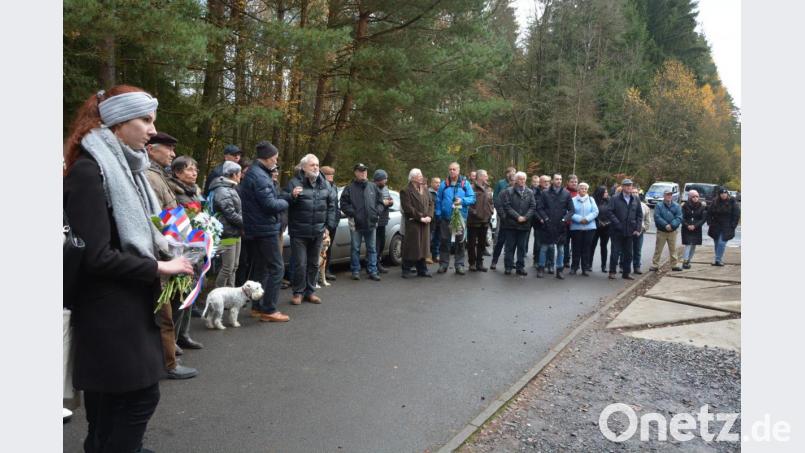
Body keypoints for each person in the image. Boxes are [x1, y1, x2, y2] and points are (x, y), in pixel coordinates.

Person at [64, 85, 195, 452]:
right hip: (107, 311)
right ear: (119, 122)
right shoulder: (90, 171)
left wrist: (185, 242)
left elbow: (150, 229)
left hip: (128, 304)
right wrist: (160, 267)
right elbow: (97, 256)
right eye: (146, 120)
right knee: (140, 397)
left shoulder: (131, 172)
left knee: (107, 401)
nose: (153, 130)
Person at [144, 132, 198, 380]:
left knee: (166, 310)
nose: (173, 154)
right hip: (161, 252)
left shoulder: (157, 175)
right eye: (168, 149)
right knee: (163, 314)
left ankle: (166, 358)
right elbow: (158, 217)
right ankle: (168, 364)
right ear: (151, 150)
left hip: (168, 249)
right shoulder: (150, 176)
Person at [240, 141, 291, 322]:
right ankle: (269, 309)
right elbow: (270, 205)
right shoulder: (260, 176)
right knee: (277, 268)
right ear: (268, 158)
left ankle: (257, 306)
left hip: (256, 228)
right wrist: (287, 200)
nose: (276, 161)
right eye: (275, 158)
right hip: (265, 229)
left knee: (261, 268)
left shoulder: (255, 173)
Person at [164, 155, 206, 350]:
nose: (194, 173)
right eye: (189, 169)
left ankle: (183, 334)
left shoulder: (194, 191)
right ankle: (171, 339)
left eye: (195, 169)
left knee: (191, 291)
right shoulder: (173, 191)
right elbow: (170, 219)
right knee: (180, 294)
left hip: (195, 247)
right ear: (177, 172)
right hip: (180, 248)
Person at [288, 154, 339, 302]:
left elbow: (332, 206)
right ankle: (298, 293)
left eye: (317, 165)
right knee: (300, 264)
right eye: (312, 165)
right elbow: (284, 201)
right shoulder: (294, 182)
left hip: (318, 231)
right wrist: (292, 196)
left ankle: (310, 292)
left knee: (314, 263)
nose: (316, 167)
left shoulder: (325, 184)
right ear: (304, 167)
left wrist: (328, 226)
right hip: (299, 232)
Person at [340, 163, 384, 281]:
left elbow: (380, 202)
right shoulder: (349, 188)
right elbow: (343, 204)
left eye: (365, 171)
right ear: (355, 173)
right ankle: (355, 270)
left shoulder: (373, 186)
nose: (363, 173)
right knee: (355, 248)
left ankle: (373, 271)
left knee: (372, 248)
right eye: (360, 171)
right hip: (356, 223)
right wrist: (354, 214)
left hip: (371, 222)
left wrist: (376, 212)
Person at [435, 162, 476, 275]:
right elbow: (438, 200)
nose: (452, 171)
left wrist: (462, 201)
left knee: (460, 242)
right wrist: (438, 214)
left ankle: (459, 265)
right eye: (450, 169)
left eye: (454, 169)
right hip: (446, 218)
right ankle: (443, 264)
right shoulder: (444, 184)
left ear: (458, 170)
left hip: (460, 218)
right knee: (444, 241)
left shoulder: (465, 183)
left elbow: (472, 198)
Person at [208, 161, 244, 288]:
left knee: (234, 266)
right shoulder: (222, 190)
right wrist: (247, 223)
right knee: (227, 268)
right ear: (233, 174)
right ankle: (218, 293)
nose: (241, 176)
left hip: (235, 232)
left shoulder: (230, 188)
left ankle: (231, 292)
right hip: (226, 233)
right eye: (239, 173)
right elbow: (230, 214)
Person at [535, 173, 574, 279]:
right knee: (544, 248)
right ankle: (541, 268)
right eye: (557, 179)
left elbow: (571, 210)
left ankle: (559, 270)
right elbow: (539, 208)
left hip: (561, 226)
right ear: (552, 180)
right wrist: (546, 219)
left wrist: (564, 219)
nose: (559, 181)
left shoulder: (566, 193)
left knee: (561, 249)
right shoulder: (545, 193)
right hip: (548, 225)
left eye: (560, 179)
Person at [499, 172, 536, 276]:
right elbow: (507, 206)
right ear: (515, 180)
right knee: (510, 247)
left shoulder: (530, 192)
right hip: (511, 224)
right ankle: (508, 267)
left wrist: (525, 217)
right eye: (520, 179)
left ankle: (520, 267)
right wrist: (517, 217)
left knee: (522, 248)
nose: (522, 181)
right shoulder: (509, 191)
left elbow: (533, 206)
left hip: (524, 224)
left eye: (523, 179)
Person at [606, 178, 643, 280]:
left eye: (630, 185)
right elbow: (609, 212)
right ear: (622, 187)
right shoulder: (615, 198)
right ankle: (612, 271)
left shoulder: (636, 199)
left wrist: (638, 228)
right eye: (627, 185)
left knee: (628, 253)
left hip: (630, 231)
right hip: (616, 231)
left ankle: (626, 273)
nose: (629, 187)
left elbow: (639, 215)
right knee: (615, 252)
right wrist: (617, 223)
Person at [400, 169, 434, 278]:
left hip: (425, 222)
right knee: (411, 246)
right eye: (419, 175)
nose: (421, 177)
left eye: (421, 174)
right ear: (412, 178)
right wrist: (421, 217)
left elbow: (431, 203)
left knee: (423, 246)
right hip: (413, 222)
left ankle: (422, 269)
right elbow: (408, 208)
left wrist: (429, 216)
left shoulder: (425, 188)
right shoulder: (405, 191)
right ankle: (406, 269)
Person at [467, 169, 494, 272]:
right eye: (485, 175)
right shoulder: (470, 188)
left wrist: (491, 211)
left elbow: (491, 202)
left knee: (482, 244)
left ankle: (480, 263)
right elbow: (467, 203)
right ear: (480, 177)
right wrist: (474, 212)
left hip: (485, 220)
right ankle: (472, 263)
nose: (487, 177)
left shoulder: (488, 188)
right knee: (471, 243)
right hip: (473, 220)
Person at [650, 188, 683, 271]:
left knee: (673, 249)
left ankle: (674, 265)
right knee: (658, 249)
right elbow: (657, 217)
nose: (669, 196)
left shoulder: (677, 206)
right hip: (661, 231)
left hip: (673, 231)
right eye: (667, 195)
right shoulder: (659, 205)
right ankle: (655, 265)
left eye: (670, 195)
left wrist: (672, 225)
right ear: (664, 196)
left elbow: (679, 217)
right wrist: (665, 225)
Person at [569, 182, 598, 276]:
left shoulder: (591, 199)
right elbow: (569, 211)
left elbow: (595, 211)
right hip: (576, 228)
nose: (584, 190)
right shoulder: (572, 200)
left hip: (590, 228)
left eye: (585, 189)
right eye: (582, 188)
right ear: (578, 189)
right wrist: (579, 219)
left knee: (586, 248)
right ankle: (574, 267)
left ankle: (585, 268)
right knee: (576, 248)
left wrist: (587, 219)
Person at [706, 188, 741, 266]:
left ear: (727, 194)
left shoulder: (732, 202)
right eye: (722, 194)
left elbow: (736, 214)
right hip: (715, 225)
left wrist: (733, 225)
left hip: (727, 226)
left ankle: (718, 260)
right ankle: (718, 259)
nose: (723, 195)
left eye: (725, 193)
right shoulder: (715, 202)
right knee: (717, 243)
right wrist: (709, 222)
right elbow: (709, 212)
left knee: (721, 243)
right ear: (719, 195)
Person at [490, 167, 515, 270]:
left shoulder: (520, 191)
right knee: (500, 240)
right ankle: (494, 261)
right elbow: (497, 202)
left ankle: (510, 261)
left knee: (512, 243)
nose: (514, 182)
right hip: (504, 219)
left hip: (515, 221)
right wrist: (503, 216)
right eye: (513, 180)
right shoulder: (503, 189)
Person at [320, 165, 339, 280]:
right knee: (321, 248)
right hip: (324, 223)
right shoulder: (322, 186)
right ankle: (319, 273)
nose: (331, 176)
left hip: (333, 222)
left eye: (332, 174)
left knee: (329, 247)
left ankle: (327, 270)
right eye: (328, 174)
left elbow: (335, 205)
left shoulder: (334, 186)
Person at [373, 169, 394, 274]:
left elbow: (388, 199)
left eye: (386, 178)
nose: (386, 180)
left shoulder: (385, 188)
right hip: (375, 220)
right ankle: (374, 265)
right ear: (378, 179)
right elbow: (372, 204)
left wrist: (390, 202)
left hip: (384, 220)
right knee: (375, 245)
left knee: (381, 244)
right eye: (384, 179)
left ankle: (378, 263)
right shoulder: (372, 188)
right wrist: (383, 203)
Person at [531, 175, 554, 271]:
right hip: (539, 222)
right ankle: (536, 261)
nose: (547, 183)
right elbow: (533, 208)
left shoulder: (553, 192)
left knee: (550, 245)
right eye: (545, 181)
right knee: (538, 243)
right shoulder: (534, 193)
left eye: (548, 181)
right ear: (540, 182)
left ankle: (549, 263)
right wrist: (540, 218)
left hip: (550, 222)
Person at [681, 189, 707, 269]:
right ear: (689, 197)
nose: (695, 198)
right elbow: (681, 217)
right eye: (693, 196)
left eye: (697, 196)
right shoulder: (684, 206)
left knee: (694, 245)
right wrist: (687, 225)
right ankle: (685, 261)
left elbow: (703, 219)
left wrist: (695, 226)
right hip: (686, 228)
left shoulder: (702, 206)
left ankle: (689, 260)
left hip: (697, 228)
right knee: (688, 244)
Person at [590, 186, 611, 273]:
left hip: (606, 227)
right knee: (592, 246)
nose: (607, 193)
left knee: (604, 246)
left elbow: (612, 213)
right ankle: (589, 264)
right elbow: (592, 212)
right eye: (605, 192)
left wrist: (608, 222)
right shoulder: (593, 201)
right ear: (600, 193)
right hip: (595, 226)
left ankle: (603, 266)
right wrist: (599, 221)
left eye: (607, 192)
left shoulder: (610, 201)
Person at [631, 186, 651, 274]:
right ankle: (623, 266)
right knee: (627, 250)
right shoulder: (627, 204)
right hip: (629, 231)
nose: (635, 194)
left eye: (636, 192)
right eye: (633, 192)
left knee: (637, 250)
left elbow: (647, 220)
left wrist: (643, 229)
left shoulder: (644, 206)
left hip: (640, 232)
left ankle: (637, 267)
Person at [427, 177, 442, 264]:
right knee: (429, 238)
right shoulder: (428, 192)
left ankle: (435, 255)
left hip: (440, 219)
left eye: (439, 182)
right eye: (436, 182)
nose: (438, 184)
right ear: (431, 183)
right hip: (431, 219)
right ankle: (427, 256)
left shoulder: (441, 192)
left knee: (438, 238)